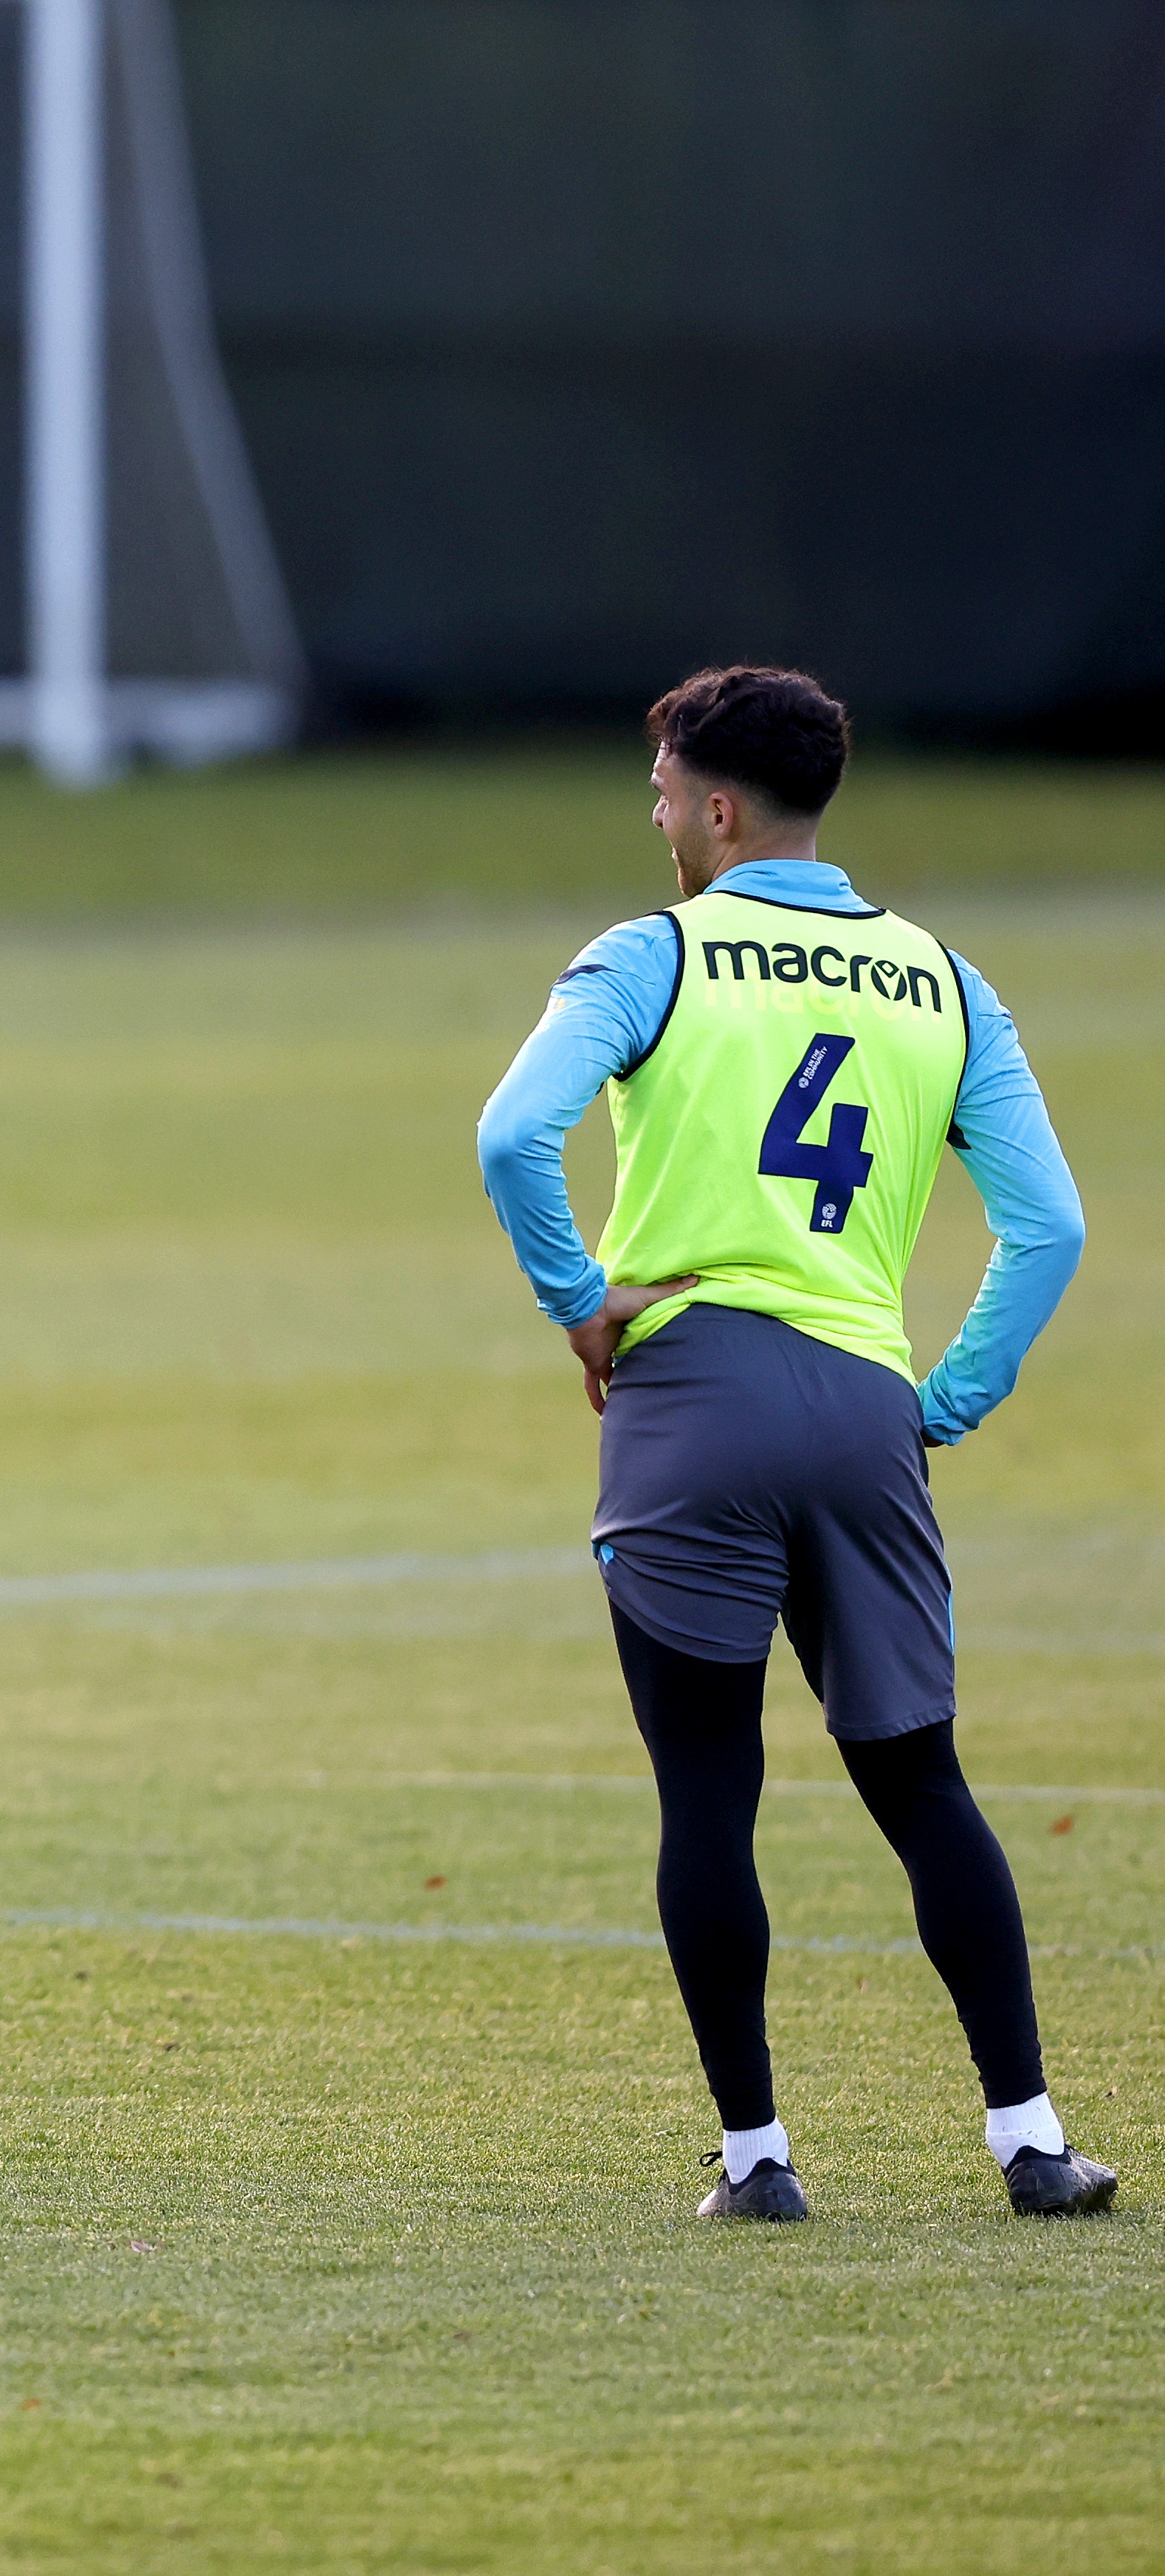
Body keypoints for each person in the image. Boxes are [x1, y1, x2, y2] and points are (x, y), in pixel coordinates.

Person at [475, 664, 1109, 2219]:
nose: (652, 819)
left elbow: (509, 1132)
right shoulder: (947, 982)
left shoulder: (651, 953)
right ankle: (1027, 2137)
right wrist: (939, 1399)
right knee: (922, 1787)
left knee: (706, 1793)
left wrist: (576, 1298)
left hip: (690, 1405)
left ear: (710, 804)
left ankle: (756, 2161)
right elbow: (1049, 1227)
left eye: (657, 794)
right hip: (856, 1406)